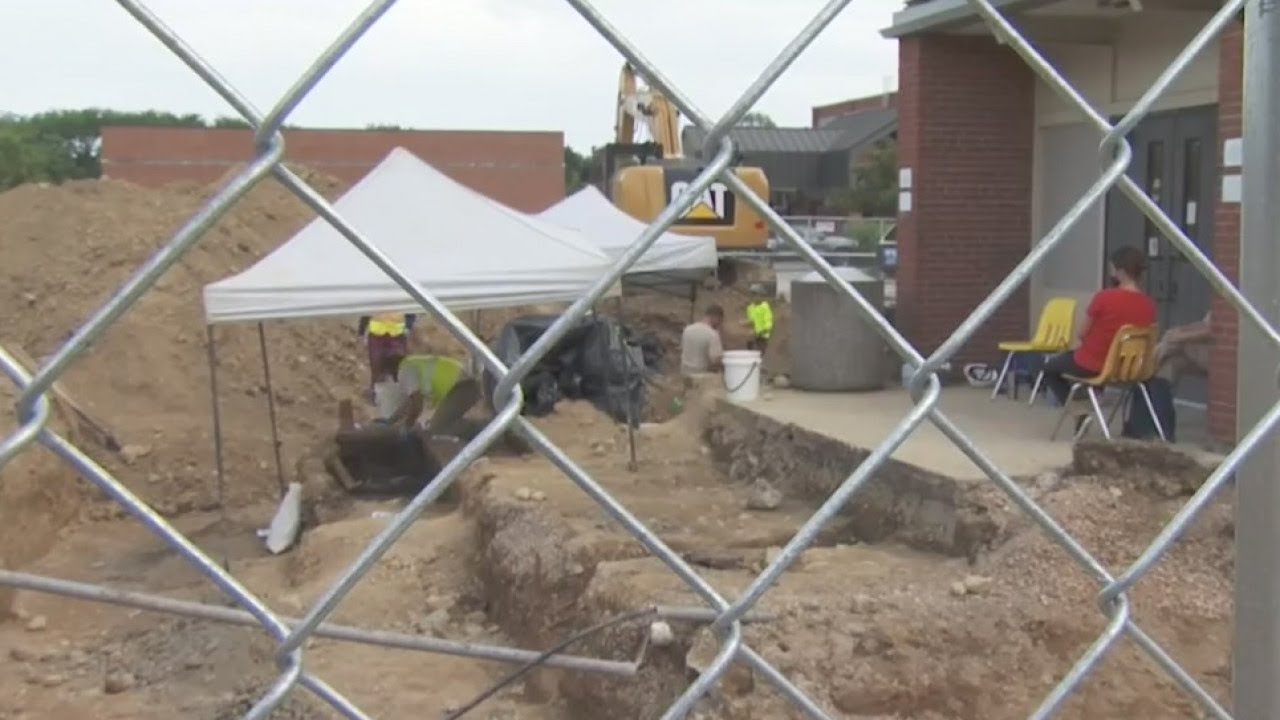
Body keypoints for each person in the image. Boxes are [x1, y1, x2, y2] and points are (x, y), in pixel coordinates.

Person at [1041, 246, 1158, 415]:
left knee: (1049, 368)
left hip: (1095, 365)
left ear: (1121, 271)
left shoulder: (1104, 298)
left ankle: (1077, 412)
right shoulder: (1149, 305)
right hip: (1131, 369)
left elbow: (1081, 333)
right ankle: (1096, 395)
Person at [1121, 311, 1212, 442]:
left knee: (1171, 344)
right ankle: (1150, 428)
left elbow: (1213, 331)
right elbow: (1202, 326)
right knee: (1166, 366)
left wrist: (1180, 336)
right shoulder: (1220, 305)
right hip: (1201, 352)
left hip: (1223, 359)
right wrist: (1181, 331)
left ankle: (1148, 364)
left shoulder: (1232, 307)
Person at [358, 312, 417, 392]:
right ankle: (376, 395)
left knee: (398, 369)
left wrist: (408, 327)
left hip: (397, 334)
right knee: (377, 367)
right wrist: (362, 330)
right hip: (377, 334)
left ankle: (398, 396)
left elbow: (410, 311)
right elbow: (368, 309)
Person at [681, 304, 725, 375]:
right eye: (720, 321)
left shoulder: (687, 329)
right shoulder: (712, 334)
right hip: (701, 374)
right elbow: (716, 360)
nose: (720, 324)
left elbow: (684, 349)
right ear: (716, 318)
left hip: (685, 372)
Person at [742, 284, 774, 356]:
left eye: (756, 295)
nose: (754, 297)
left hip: (762, 336)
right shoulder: (750, 308)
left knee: (759, 355)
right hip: (752, 336)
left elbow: (768, 323)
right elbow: (751, 321)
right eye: (752, 295)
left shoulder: (765, 307)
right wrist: (745, 323)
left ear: (761, 296)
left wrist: (761, 331)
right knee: (750, 354)